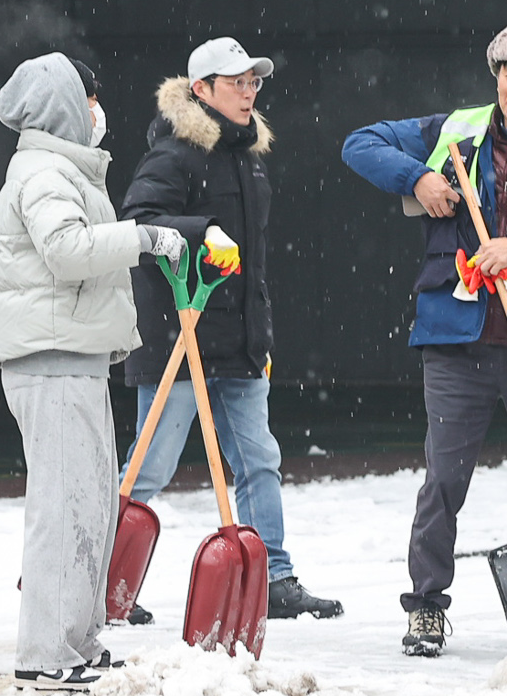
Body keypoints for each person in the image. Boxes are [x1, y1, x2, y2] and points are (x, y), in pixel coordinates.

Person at [342, 24, 507, 658]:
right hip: (456, 340)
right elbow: (360, 144)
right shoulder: (453, 132)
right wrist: (418, 179)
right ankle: (427, 607)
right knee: (444, 480)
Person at [119, 37, 342, 625]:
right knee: (152, 464)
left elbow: (252, 262)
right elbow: (137, 225)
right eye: (235, 82)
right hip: (179, 338)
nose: (249, 93)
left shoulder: (246, 157)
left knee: (259, 460)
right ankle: (102, 575)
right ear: (200, 90)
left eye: (253, 82)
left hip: (238, 342)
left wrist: (258, 332)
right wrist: (202, 230)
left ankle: (276, 577)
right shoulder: (174, 155)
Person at [0, 52, 183, 691]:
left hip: (76, 357)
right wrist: (144, 237)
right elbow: (68, 252)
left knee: (90, 503)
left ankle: (76, 640)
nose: (100, 111)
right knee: (62, 505)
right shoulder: (44, 172)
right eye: (92, 98)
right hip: (50, 362)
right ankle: (45, 650)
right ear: (68, 105)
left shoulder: (66, 169)